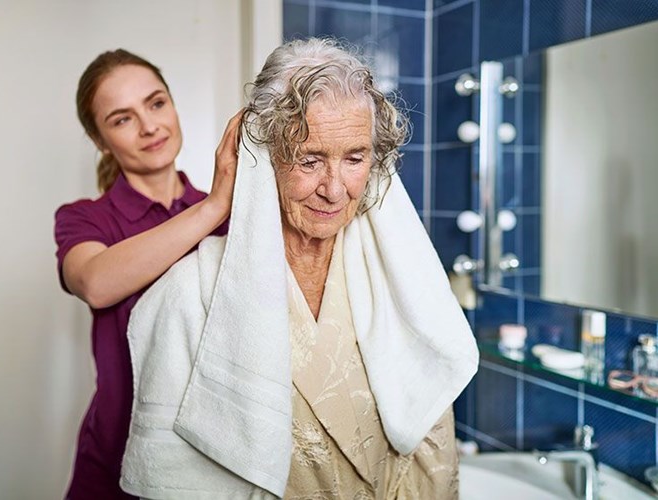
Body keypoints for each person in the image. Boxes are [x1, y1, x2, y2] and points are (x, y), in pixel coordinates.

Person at [119, 38, 479, 499]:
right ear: (265, 157)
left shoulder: (401, 281)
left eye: (355, 158)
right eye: (310, 160)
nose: (335, 189)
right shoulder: (191, 295)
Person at [53, 49, 241, 500]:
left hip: (211, 462)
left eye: (156, 103)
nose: (149, 126)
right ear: (100, 140)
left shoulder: (234, 217)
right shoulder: (85, 219)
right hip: (113, 464)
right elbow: (96, 283)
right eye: (122, 119)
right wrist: (213, 207)